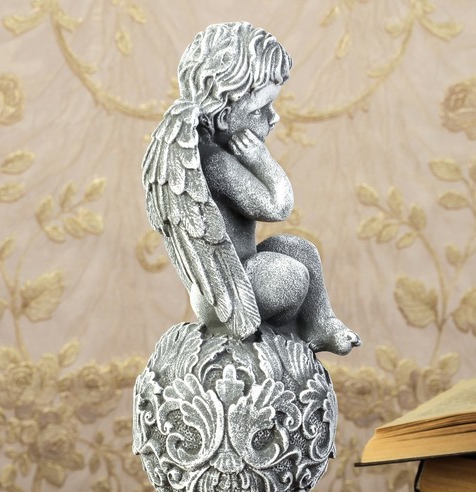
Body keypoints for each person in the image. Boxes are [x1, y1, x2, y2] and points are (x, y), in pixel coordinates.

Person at [142, 22, 360, 355]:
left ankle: (321, 324)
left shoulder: (213, 153)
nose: (274, 117)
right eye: (261, 109)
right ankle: (274, 334)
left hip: (243, 272)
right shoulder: (214, 162)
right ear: (224, 115)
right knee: (290, 275)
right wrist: (262, 160)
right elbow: (277, 206)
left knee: (298, 249)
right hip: (228, 290)